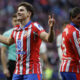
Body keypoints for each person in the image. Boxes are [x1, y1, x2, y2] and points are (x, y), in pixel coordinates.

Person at [0, 2, 55, 80]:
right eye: (18, 11)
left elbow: (49, 39)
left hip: (32, 71)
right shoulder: (16, 29)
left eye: (21, 10)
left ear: (29, 14)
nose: (18, 12)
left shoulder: (34, 26)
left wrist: (51, 29)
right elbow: (8, 41)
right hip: (18, 71)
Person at [60, 7, 80, 80]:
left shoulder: (66, 29)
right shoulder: (75, 32)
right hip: (72, 69)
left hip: (64, 68)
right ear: (72, 18)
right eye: (78, 18)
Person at [1, 14, 18, 80]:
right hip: (12, 63)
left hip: (25, 63)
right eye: (14, 21)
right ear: (12, 21)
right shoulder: (7, 34)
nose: (16, 22)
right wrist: (5, 68)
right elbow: (3, 52)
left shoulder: (26, 33)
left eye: (18, 21)